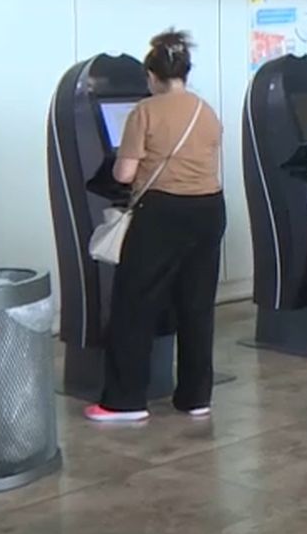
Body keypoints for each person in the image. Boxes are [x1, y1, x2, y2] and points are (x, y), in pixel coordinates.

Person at [85, 31, 225, 424]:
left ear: (152, 75)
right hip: (210, 209)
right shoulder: (206, 110)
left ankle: (124, 401)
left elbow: (125, 171)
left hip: (162, 212)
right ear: (185, 71)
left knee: (135, 305)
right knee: (196, 306)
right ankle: (196, 397)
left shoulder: (144, 112)